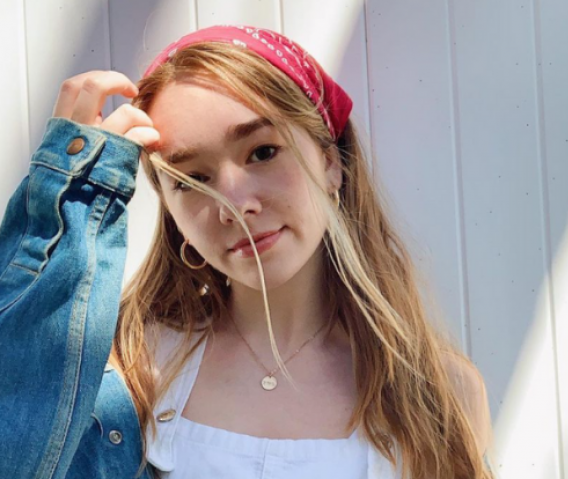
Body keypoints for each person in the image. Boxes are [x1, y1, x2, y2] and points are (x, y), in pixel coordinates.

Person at [0, 25, 493, 479]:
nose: (235, 205)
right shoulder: (125, 371)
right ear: (171, 210)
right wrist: (64, 202)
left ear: (330, 163)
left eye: (262, 152)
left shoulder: (437, 392)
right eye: (193, 178)